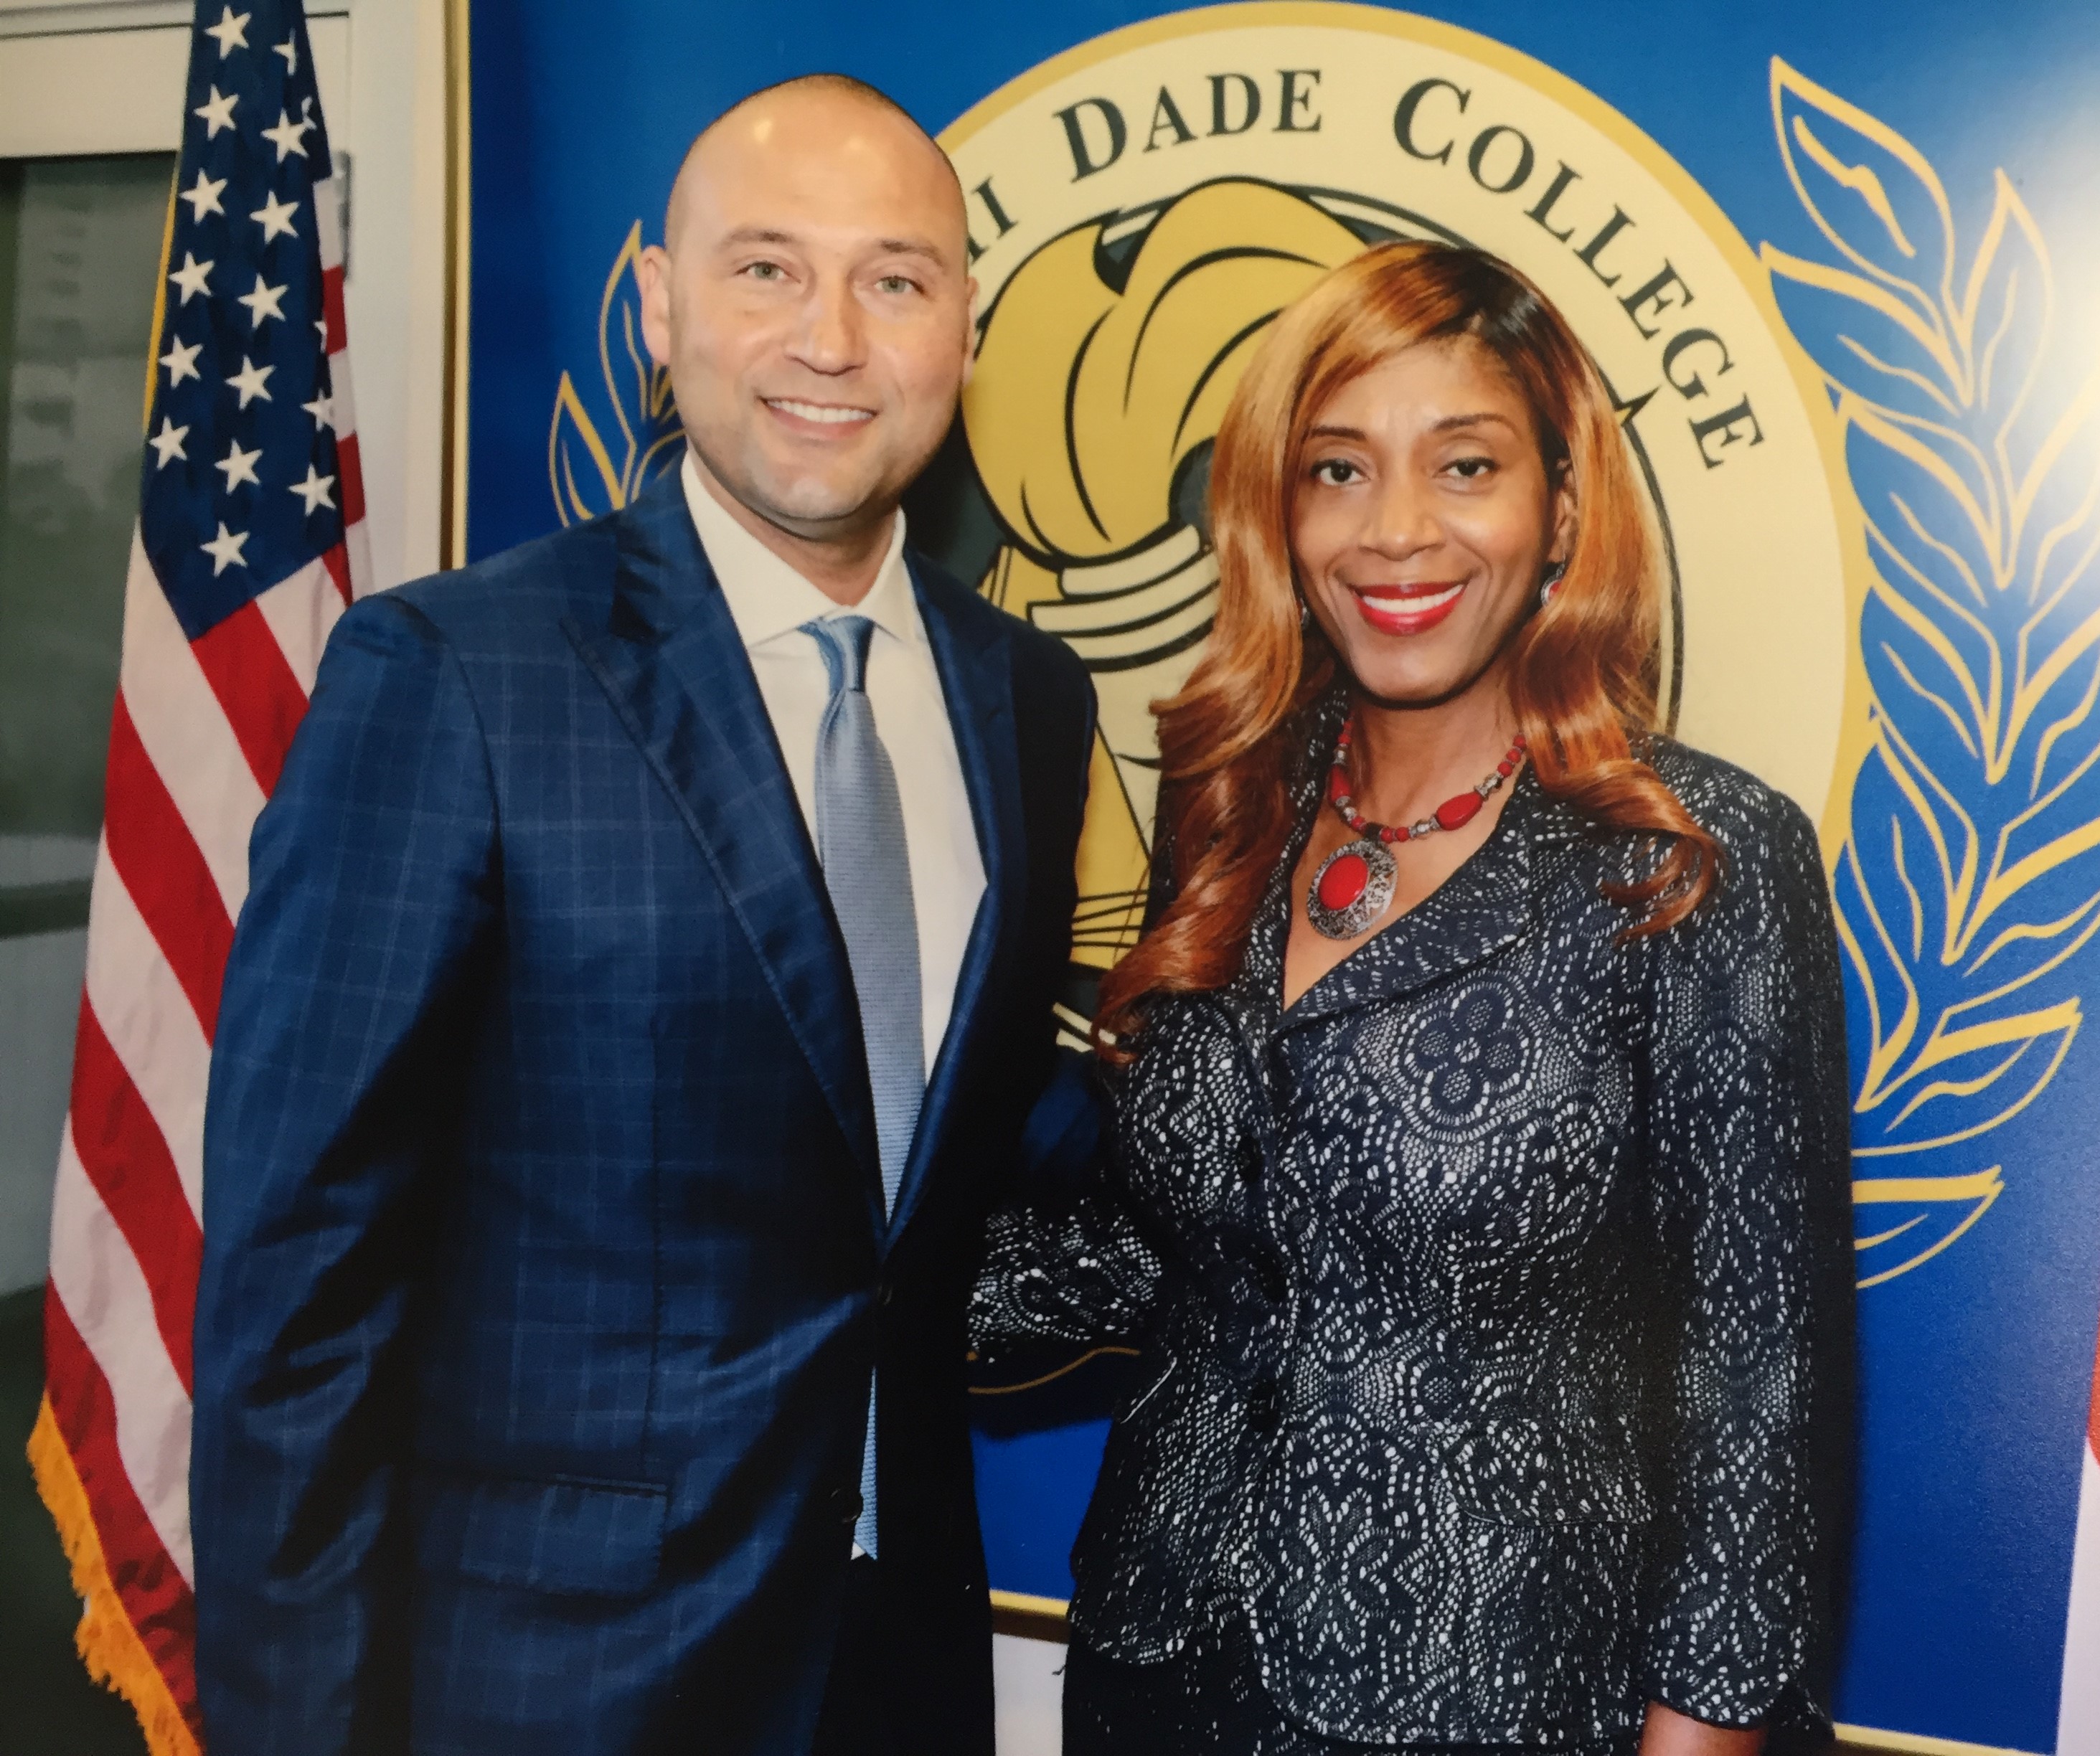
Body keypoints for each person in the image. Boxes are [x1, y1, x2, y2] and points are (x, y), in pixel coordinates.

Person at [191, 76, 1093, 1754]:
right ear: (663, 308)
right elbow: (297, 1295)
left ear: (964, 328)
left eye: (896, 279)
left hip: (901, 1669)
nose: (832, 338)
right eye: (767, 271)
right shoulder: (452, 679)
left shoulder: (1030, 697)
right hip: (550, 1683)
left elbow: (944, 1122)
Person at [971, 240, 1855, 1755]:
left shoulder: (1692, 864)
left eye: (1464, 465)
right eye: (1336, 470)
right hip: (1154, 1661)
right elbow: (1170, 1239)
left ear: (1562, 509)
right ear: (1275, 511)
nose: (1395, 532)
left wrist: (1702, 1733)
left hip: (1499, 1693)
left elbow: (1758, 1375)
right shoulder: (1226, 810)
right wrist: (848, 1281)